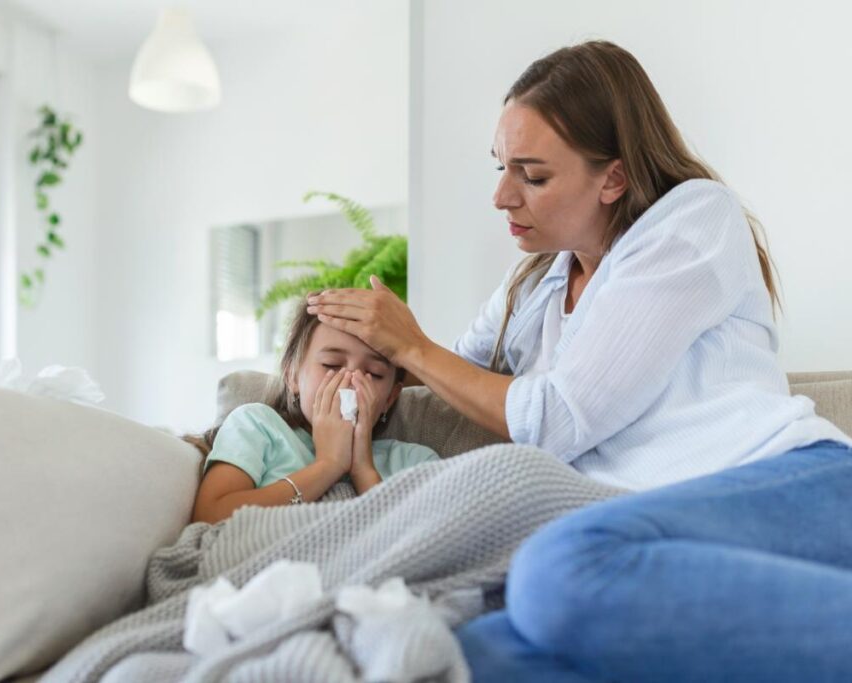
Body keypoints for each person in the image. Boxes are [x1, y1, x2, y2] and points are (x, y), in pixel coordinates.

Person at [308, 40, 852, 681]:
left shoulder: (694, 221)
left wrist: (410, 345)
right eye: (501, 168)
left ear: (613, 178)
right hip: (647, 528)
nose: (503, 197)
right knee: (475, 653)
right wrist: (328, 393)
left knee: (556, 570)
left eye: (532, 176)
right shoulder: (536, 287)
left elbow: (556, 416)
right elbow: (438, 376)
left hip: (789, 484)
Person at [189, 301, 439, 525]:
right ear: (292, 375)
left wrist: (363, 469)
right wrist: (327, 465)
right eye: (331, 365)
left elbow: (424, 546)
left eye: (373, 373)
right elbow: (210, 516)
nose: (350, 382)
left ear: (390, 398)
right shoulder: (257, 426)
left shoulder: (414, 462)